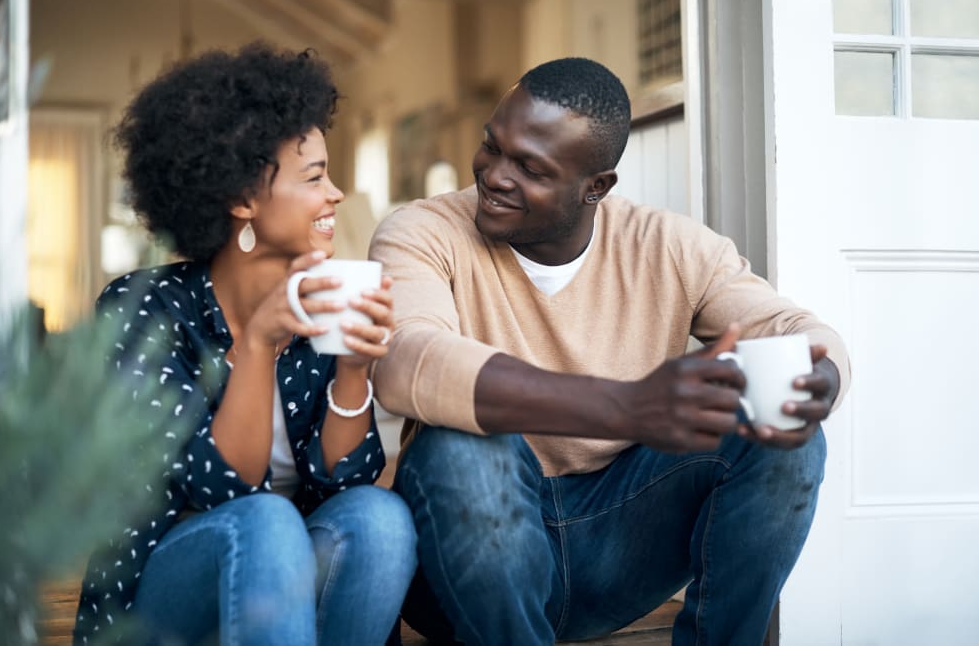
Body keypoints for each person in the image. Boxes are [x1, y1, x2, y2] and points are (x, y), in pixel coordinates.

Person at [368, 57, 850, 645]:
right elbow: (407, 361)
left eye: (530, 167)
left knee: (784, 436)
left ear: (596, 186)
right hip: (465, 566)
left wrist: (819, 377)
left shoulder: (670, 246)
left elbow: (795, 329)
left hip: (618, 547)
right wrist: (625, 406)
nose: (493, 176)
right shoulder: (421, 231)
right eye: (493, 147)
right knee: (460, 446)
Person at [74, 43, 416, 645]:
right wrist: (257, 343)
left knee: (381, 519)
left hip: (284, 603)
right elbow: (220, 489)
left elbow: (343, 484)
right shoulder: (146, 311)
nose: (335, 194)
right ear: (241, 199)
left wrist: (354, 369)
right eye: (314, 177)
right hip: (165, 604)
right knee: (263, 522)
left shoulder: (321, 300)